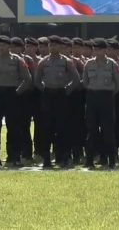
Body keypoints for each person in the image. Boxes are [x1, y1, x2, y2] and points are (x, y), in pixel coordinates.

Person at [0, 35, 32, 167]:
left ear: (9, 46)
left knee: (13, 126)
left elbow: (27, 79)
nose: (1, 47)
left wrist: (17, 92)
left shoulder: (18, 60)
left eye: (4, 45)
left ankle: (13, 156)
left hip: (12, 95)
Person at [34, 35, 80, 168]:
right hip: (48, 96)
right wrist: (44, 89)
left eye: (55, 45)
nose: (52, 47)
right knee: (47, 128)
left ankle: (64, 156)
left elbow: (76, 79)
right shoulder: (43, 62)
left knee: (62, 127)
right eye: (50, 45)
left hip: (62, 96)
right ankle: (47, 158)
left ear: (60, 47)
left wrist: (67, 91)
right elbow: (37, 80)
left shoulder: (66, 62)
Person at [82, 38, 119, 169]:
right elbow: (85, 81)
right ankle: (89, 160)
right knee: (92, 130)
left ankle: (111, 160)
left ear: (105, 50)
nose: (96, 51)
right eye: (95, 49)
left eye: (99, 49)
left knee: (108, 130)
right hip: (92, 98)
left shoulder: (112, 64)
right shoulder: (88, 63)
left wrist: (109, 94)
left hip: (107, 98)